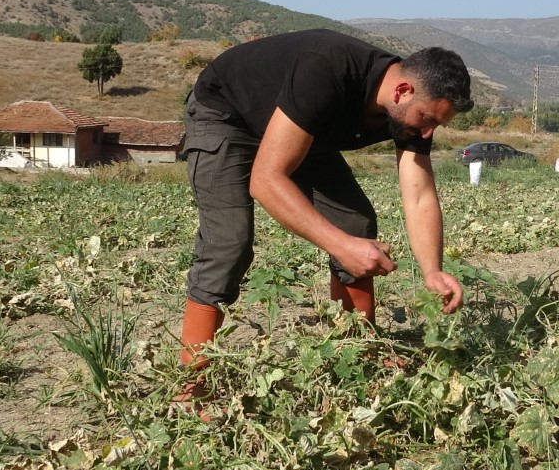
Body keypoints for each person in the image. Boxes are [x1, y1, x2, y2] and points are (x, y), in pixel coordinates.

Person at [178, 28, 475, 396]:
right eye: (427, 119)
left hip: (301, 126)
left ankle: (355, 350)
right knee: (229, 242)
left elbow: (419, 195)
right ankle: (192, 383)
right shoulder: (327, 68)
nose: (428, 133)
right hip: (227, 114)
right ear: (402, 91)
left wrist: (432, 270)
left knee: (355, 223)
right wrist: (341, 246)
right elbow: (267, 181)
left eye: (436, 125)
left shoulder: (409, 108)